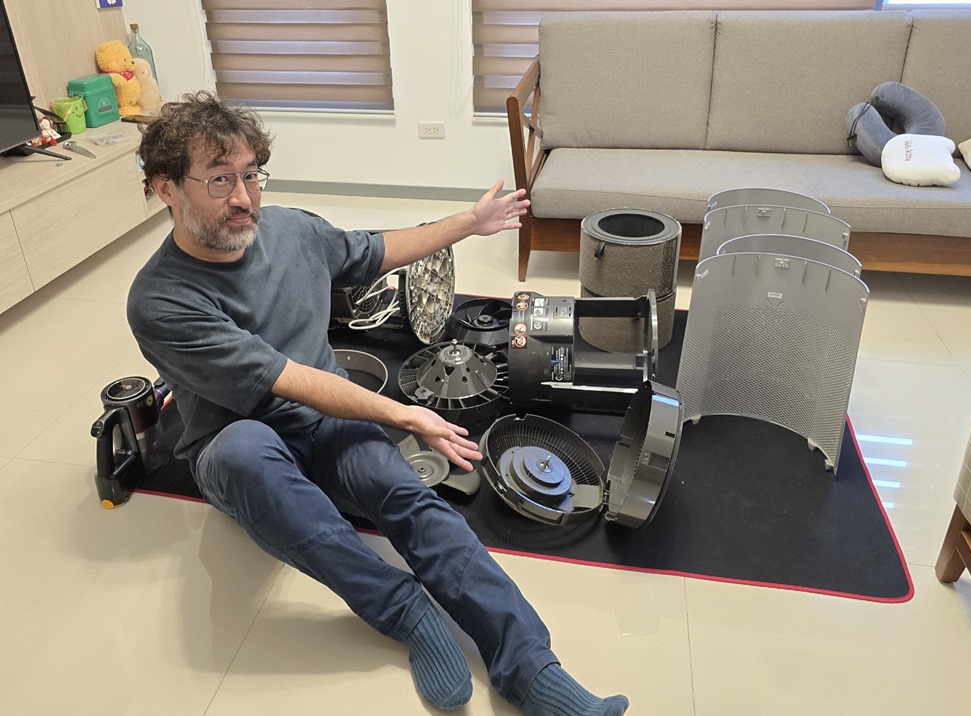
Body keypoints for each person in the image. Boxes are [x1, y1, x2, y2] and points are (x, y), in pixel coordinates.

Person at [127, 91, 629, 715]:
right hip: (242, 443)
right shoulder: (160, 300)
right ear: (166, 189)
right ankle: (407, 611)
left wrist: (469, 223)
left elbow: (375, 249)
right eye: (219, 179)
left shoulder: (291, 230)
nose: (244, 198)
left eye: (251, 174)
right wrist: (401, 412)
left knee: (408, 498)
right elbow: (282, 377)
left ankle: (530, 668)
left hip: (326, 421)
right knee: (244, 453)